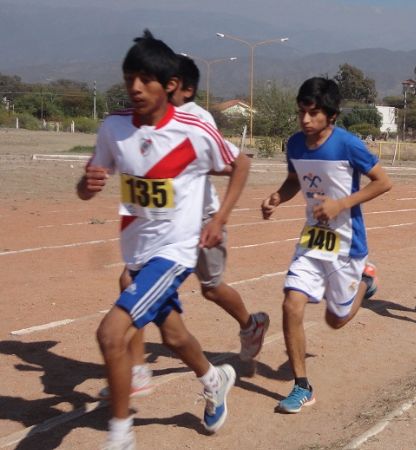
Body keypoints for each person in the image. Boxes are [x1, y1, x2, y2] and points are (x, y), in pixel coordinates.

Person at [77, 30, 250, 448]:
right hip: (137, 250)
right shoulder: (114, 127)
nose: (134, 88)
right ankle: (214, 378)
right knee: (173, 336)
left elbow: (240, 164)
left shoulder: (193, 128)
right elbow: (86, 184)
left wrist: (218, 218)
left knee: (111, 333)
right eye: (128, 78)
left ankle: (121, 437)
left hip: (175, 251)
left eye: (144, 79)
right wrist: (88, 182)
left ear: (169, 85)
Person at [102, 54, 269, 400]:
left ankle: (250, 323)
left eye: (166, 83)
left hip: (200, 219)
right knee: (129, 281)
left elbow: (233, 163)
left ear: (183, 89)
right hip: (160, 228)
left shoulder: (196, 119)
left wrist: (212, 207)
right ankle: (137, 371)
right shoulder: (141, 119)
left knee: (211, 288)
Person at [260, 77, 392, 414]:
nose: (305, 120)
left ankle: (366, 280)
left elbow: (383, 182)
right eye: (301, 112)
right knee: (291, 304)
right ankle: (302, 386)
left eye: (313, 113)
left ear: (331, 116)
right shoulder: (295, 144)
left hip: (347, 244)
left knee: (337, 320)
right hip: (312, 239)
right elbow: (294, 181)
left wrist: (341, 204)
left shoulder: (347, 145)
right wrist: (278, 196)